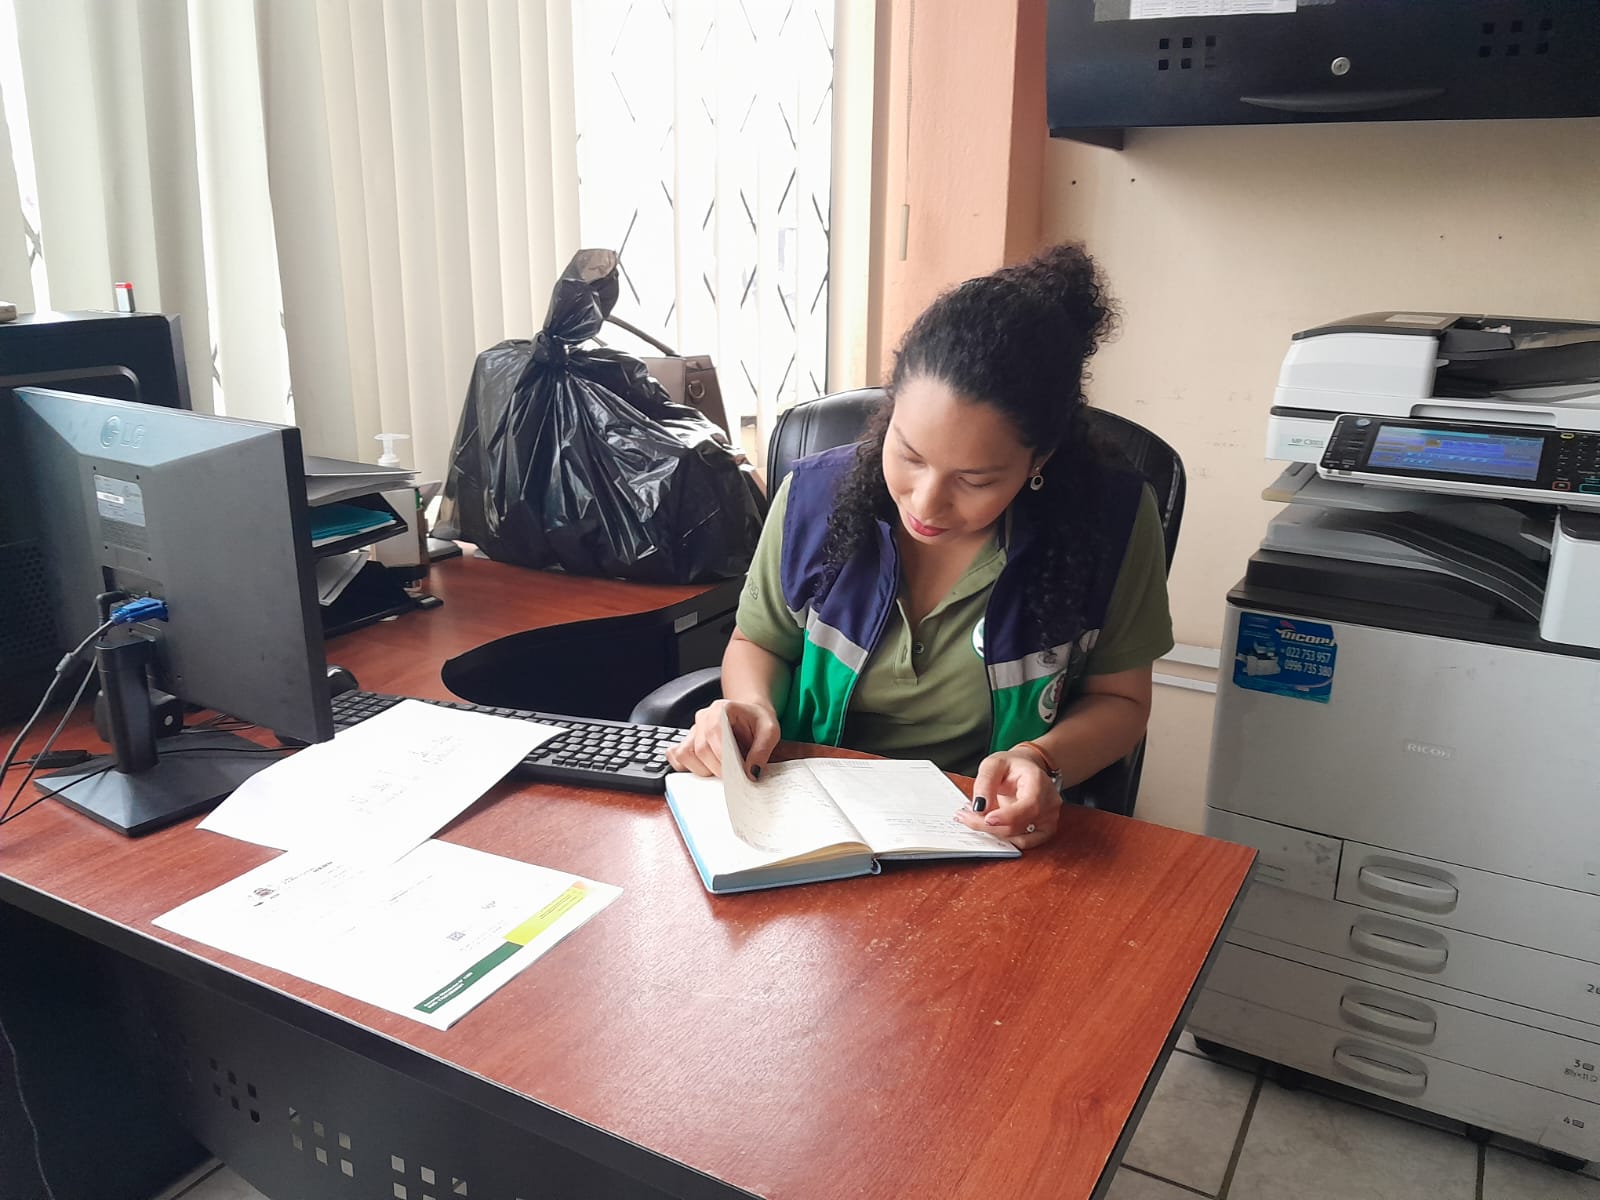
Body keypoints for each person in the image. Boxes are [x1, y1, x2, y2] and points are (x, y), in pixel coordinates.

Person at [664, 243, 1173, 849]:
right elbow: (759, 642)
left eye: (975, 480)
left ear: (1039, 460)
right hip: (810, 813)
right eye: (908, 454)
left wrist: (1040, 758)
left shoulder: (1109, 523)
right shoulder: (813, 499)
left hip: (981, 828)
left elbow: (1120, 699)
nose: (927, 504)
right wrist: (752, 707)